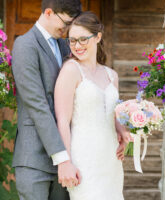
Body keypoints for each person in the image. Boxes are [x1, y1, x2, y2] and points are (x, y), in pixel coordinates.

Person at [54, 11, 130, 199]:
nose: (77, 46)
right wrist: (65, 162)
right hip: (84, 159)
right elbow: (62, 120)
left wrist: (122, 130)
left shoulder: (112, 75)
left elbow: (109, 113)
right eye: (72, 41)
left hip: (111, 159)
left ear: (98, 37)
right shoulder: (71, 70)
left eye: (82, 39)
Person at [11, 0, 82, 199]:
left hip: (68, 158)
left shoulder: (65, 45)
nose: (68, 30)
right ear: (49, 12)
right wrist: (62, 157)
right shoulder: (25, 45)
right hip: (34, 158)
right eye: (66, 23)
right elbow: (37, 105)